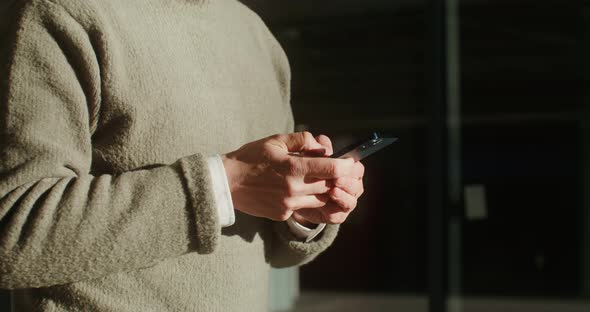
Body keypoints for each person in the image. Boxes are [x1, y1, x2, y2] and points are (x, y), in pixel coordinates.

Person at [0, 0, 365, 311]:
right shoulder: (60, 14)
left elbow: (277, 255)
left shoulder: (255, 34)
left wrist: (303, 210)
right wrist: (222, 186)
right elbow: (12, 234)